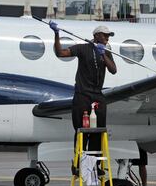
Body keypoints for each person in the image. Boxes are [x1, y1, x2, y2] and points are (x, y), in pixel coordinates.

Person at [49, 22, 117, 174]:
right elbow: (60, 53)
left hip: (98, 95)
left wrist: (103, 54)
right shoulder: (82, 48)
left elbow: (113, 70)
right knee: (81, 130)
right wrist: (56, 34)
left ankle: (94, 165)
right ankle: (78, 164)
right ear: (96, 36)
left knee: (98, 131)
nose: (107, 38)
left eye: (108, 36)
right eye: (105, 35)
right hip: (82, 94)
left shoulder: (106, 51)